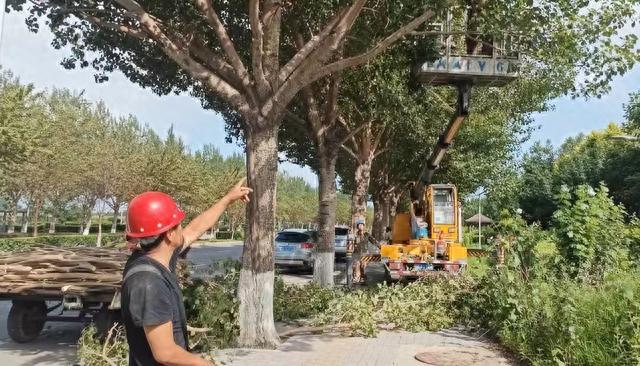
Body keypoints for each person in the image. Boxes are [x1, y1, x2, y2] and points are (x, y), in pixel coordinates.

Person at [121, 179, 252, 366]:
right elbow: (165, 354)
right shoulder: (148, 283)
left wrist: (228, 199)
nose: (183, 227)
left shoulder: (157, 257)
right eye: (178, 224)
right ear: (169, 235)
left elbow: (195, 228)